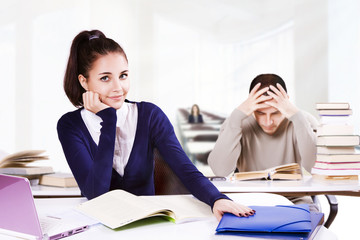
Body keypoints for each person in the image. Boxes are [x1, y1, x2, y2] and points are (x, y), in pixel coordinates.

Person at [57, 30, 254, 221]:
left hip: (149, 225)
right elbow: (95, 194)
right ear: (84, 81)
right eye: (105, 78)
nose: (118, 87)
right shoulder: (70, 125)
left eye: (123, 75)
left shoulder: (149, 115)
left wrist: (217, 199)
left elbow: (184, 168)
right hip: (98, 227)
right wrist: (109, 120)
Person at [208, 73, 317, 210]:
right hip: (248, 200)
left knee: (311, 221)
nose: (268, 122)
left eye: (275, 113)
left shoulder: (303, 121)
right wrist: (236, 117)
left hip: (294, 200)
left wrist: (298, 119)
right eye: (260, 113)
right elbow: (220, 170)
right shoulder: (236, 122)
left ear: (286, 103)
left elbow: (315, 169)